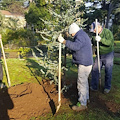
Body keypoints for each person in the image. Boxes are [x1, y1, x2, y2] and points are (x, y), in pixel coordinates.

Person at [58, 23, 93, 112]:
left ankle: (82, 104)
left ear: (73, 32)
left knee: (81, 83)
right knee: (84, 82)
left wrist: (64, 41)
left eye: (71, 34)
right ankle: (86, 99)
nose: (71, 35)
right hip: (87, 62)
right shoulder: (82, 34)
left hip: (84, 63)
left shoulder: (80, 36)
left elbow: (76, 46)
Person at [90, 21, 114, 94]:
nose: (94, 31)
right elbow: (93, 42)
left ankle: (107, 87)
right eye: (93, 30)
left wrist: (101, 40)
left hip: (108, 54)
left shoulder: (107, 32)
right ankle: (94, 86)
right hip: (99, 54)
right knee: (95, 70)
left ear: (99, 27)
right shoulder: (94, 34)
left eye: (94, 29)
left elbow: (110, 43)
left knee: (108, 71)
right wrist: (94, 40)